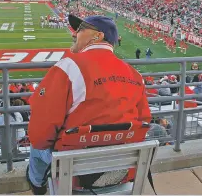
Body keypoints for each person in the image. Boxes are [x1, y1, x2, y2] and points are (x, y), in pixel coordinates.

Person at [26, 14, 151, 195]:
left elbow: (40, 132)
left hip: (75, 170)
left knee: (36, 147)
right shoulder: (135, 74)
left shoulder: (68, 67)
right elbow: (144, 120)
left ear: (97, 36)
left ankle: (37, 186)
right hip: (121, 165)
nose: (73, 34)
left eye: (80, 30)